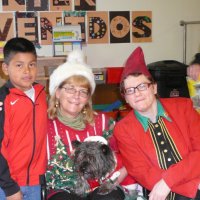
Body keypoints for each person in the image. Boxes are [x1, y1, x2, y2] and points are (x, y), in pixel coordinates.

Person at [45, 50, 137, 200]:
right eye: (70, 89)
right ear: (57, 92)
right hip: (62, 189)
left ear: (88, 98)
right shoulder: (44, 126)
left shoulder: (103, 122)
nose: (76, 96)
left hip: (102, 186)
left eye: (83, 91)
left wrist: (114, 180)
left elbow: (129, 153)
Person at [113, 47, 200, 200]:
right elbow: (142, 171)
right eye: (130, 90)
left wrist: (167, 181)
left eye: (142, 86)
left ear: (154, 87)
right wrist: (186, 187)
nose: (137, 94)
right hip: (162, 192)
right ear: (125, 98)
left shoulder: (183, 107)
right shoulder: (123, 129)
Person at [0, 37, 47, 200]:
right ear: (5, 68)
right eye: (19, 65)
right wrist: (9, 187)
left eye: (31, 64)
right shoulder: (3, 100)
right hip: (8, 186)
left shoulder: (43, 95)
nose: (27, 71)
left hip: (36, 183)